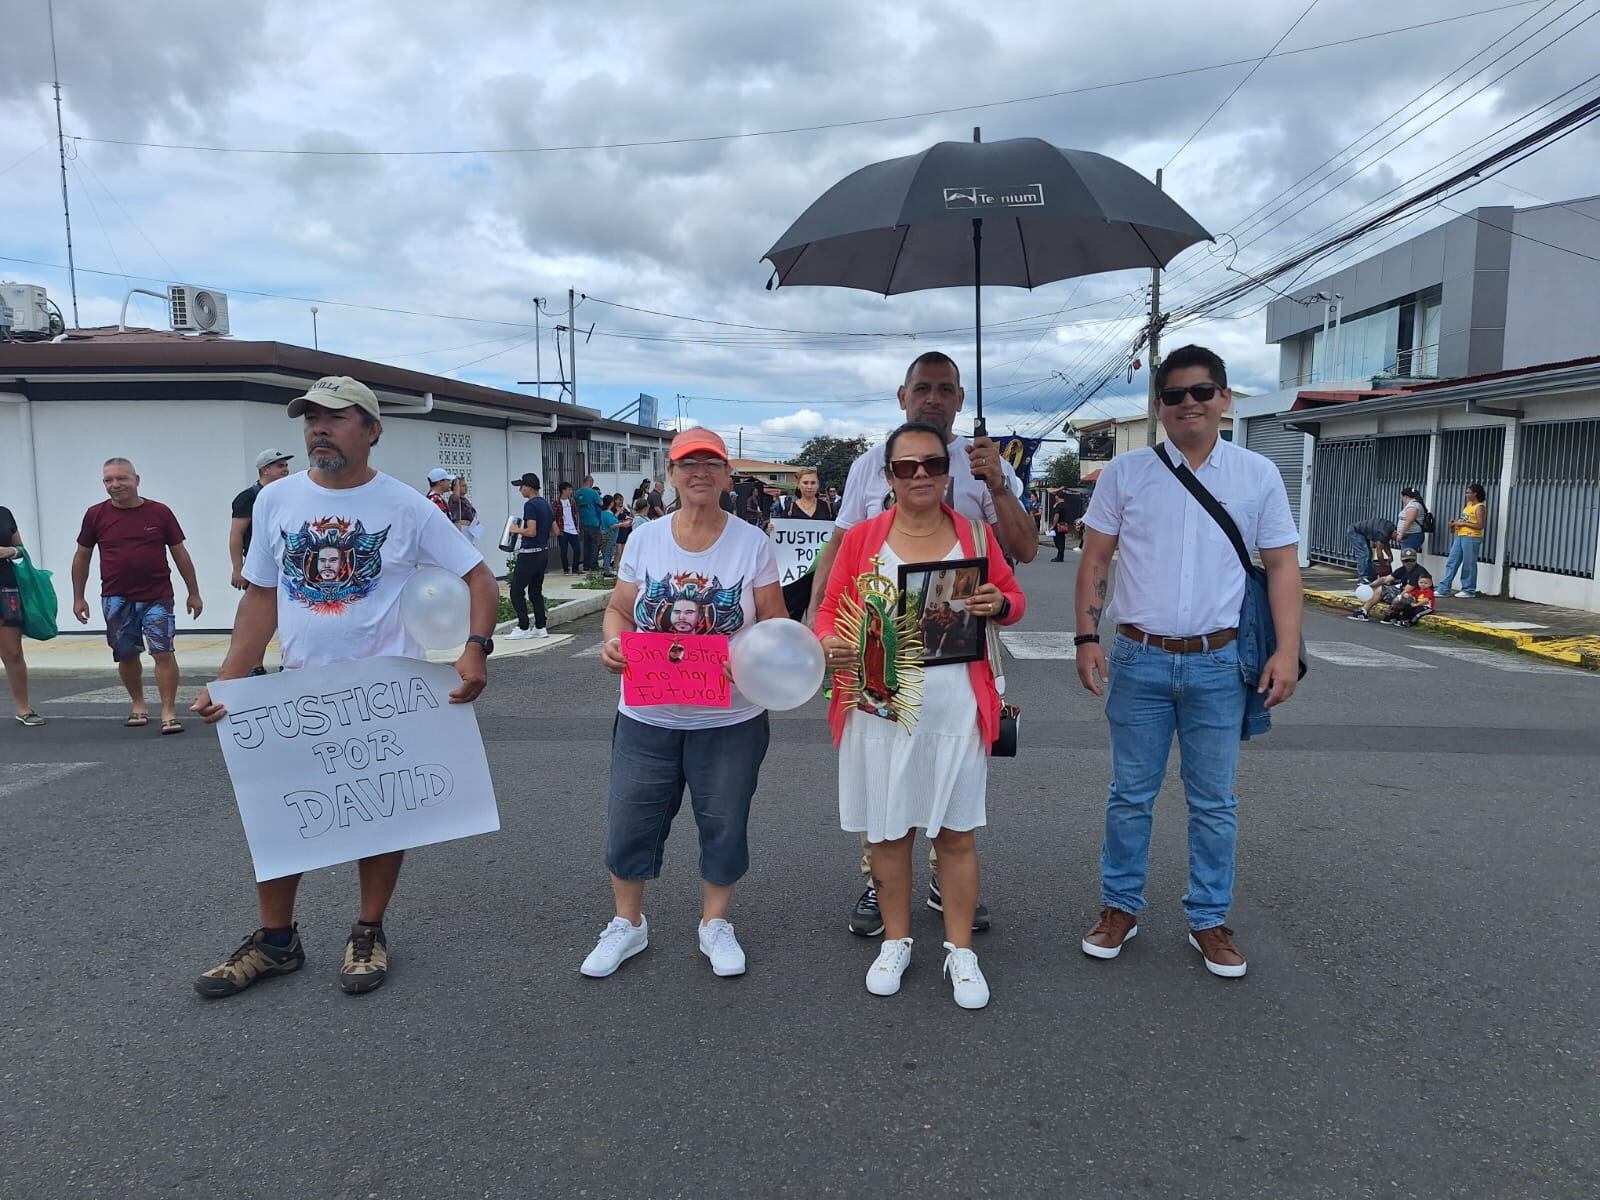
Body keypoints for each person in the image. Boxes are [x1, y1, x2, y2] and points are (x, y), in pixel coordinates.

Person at [190, 375, 499, 999]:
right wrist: (230, 677)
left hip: (382, 691)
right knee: (280, 814)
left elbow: (479, 578)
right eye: (310, 419)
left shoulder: (407, 506)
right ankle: (276, 942)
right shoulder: (277, 501)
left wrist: (475, 649)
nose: (317, 429)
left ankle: (367, 930)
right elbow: (262, 597)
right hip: (296, 693)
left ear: (372, 430)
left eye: (335, 418)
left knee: (380, 814)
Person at [1075, 345, 1301, 980]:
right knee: (1130, 795)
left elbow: (1282, 566)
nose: (1189, 404)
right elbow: (1095, 561)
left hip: (1219, 662)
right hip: (1139, 657)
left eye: (1202, 392)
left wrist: (1285, 651)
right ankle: (1119, 906)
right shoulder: (1125, 474)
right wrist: (1086, 637)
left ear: (1225, 399)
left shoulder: (1257, 475)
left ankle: (1209, 917)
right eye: (1174, 396)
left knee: (1214, 801)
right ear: (1159, 407)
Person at [806, 351, 1035, 938]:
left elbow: (1024, 554)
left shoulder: (983, 466)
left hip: (958, 667)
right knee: (885, 802)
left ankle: (944, 883)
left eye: (945, 389)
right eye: (922, 388)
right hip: (882, 673)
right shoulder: (866, 469)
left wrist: (999, 482)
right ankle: (880, 887)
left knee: (953, 809)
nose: (933, 397)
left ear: (961, 400)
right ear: (902, 395)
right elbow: (840, 553)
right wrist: (818, 629)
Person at [583, 427, 785, 981]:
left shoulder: (751, 542)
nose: (700, 472)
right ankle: (627, 923)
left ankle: (714, 924)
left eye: (711, 464)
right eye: (687, 463)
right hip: (647, 713)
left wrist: (745, 658)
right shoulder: (645, 538)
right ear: (670, 474)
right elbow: (621, 611)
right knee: (629, 821)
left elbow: (774, 624)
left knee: (723, 820)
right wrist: (611, 642)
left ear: (726, 476)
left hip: (730, 717)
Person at [71, 458, 203, 735]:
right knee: (126, 655)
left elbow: (180, 554)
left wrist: (194, 592)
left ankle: (168, 711)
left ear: (136, 480)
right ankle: (138, 705)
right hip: (116, 598)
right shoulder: (95, 515)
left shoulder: (159, 512)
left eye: (122, 478)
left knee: (163, 652)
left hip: (157, 596)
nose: (115, 485)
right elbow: (82, 556)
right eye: (109, 480)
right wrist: (78, 597)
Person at [0, 505, 42, 726]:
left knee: (12, 651)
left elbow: (21, 550)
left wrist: (11, 552)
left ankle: (24, 708)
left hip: (5, 588)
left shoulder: (4, 513)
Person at [230, 449, 295, 592]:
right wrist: (238, 569)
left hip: (287, 564)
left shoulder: (290, 496)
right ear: (265, 469)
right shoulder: (248, 498)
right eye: (280, 466)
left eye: (286, 466)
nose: (286, 470)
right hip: (259, 566)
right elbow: (236, 534)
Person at [775, 469, 835, 622]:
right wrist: (772, 529)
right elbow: (782, 537)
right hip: (795, 573)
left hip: (821, 569)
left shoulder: (827, 507)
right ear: (799, 485)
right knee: (792, 614)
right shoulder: (789, 509)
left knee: (820, 614)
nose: (809, 486)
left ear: (818, 485)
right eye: (806, 483)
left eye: (813, 483)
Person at [506, 472, 554, 640]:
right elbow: (555, 531)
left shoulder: (530, 505)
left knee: (516, 591)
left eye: (521, 486)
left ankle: (523, 626)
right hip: (543, 553)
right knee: (535, 591)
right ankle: (540, 627)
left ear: (528, 487)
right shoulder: (546, 505)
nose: (520, 490)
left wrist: (516, 530)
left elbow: (531, 531)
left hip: (529, 555)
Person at [1438, 483, 1488, 598]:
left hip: (1472, 537)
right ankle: (1444, 588)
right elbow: (1464, 520)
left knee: (1469, 563)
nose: (1466, 494)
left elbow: (1480, 525)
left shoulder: (1479, 507)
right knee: (1452, 561)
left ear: (1475, 493)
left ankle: (1469, 589)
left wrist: (1463, 523)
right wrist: (1455, 524)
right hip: (1461, 535)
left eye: (1468, 492)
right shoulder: (1468, 505)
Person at [1348, 547, 1424, 621]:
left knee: (1402, 597)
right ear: (1402, 561)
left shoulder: (1418, 571)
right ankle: (1364, 612)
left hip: (1418, 597)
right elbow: (1385, 579)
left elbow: (1408, 589)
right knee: (1381, 589)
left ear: (1415, 560)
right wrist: (1370, 586)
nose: (1409, 563)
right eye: (1406, 561)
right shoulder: (1403, 569)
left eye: (1411, 560)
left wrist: (1396, 600)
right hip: (1405, 593)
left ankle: (1393, 614)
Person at [1345, 516, 1396, 582]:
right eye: (1396, 538)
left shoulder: (1391, 528)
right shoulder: (1384, 533)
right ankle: (1363, 577)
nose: (1396, 540)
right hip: (1355, 531)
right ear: (1395, 532)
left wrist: (1390, 556)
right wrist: (1384, 566)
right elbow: (1379, 552)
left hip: (1361, 531)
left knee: (1369, 554)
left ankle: (1369, 575)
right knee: (1364, 554)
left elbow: (1386, 545)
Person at [575, 475, 604, 571]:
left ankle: (586, 564)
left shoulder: (577, 493)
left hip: (583, 522)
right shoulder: (593, 492)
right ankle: (593, 564)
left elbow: (576, 509)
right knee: (595, 543)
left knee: (586, 544)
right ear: (590, 482)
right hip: (593, 521)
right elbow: (601, 504)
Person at [555, 482, 581, 574]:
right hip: (563, 530)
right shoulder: (556, 503)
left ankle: (575, 568)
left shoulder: (572, 501)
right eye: (569, 490)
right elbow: (553, 517)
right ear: (563, 490)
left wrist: (577, 527)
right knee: (564, 550)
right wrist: (556, 529)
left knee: (577, 549)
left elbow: (576, 514)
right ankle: (566, 569)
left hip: (573, 529)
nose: (571, 491)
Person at [1393, 487, 1427, 554]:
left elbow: (1409, 520)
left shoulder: (1413, 505)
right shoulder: (1414, 504)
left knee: (1408, 558)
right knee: (1408, 557)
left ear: (1405, 497)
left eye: (1402, 498)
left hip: (1411, 536)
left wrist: (1401, 534)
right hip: (1410, 536)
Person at [599, 495, 622, 573]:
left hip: (609, 534)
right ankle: (607, 570)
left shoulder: (606, 512)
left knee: (608, 552)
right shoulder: (607, 513)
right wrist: (622, 524)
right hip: (609, 534)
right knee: (608, 552)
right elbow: (612, 525)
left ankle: (607, 569)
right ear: (611, 503)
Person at [1050, 489, 1074, 562]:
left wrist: (1053, 525)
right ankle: (1060, 555)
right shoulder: (1066, 505)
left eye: (1056, 496)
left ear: (1057, 497)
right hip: (1064, 524)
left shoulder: (1059, 506)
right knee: (1061, 540)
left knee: (1058, 540)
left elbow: (1056, 515)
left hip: (1058, 525)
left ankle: (1060, 557)